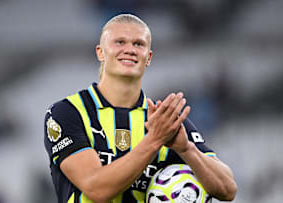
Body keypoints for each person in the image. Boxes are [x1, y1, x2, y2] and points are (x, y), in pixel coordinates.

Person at [44, 14, 237, 203]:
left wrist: (187, 150)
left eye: (139, 44)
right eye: (119, 42)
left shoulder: (164, 120)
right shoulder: (67, 113)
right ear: (100, 52)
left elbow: (228, 189)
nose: (130, 50)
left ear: (149, 57)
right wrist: (154, 140)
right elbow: (97, 188)